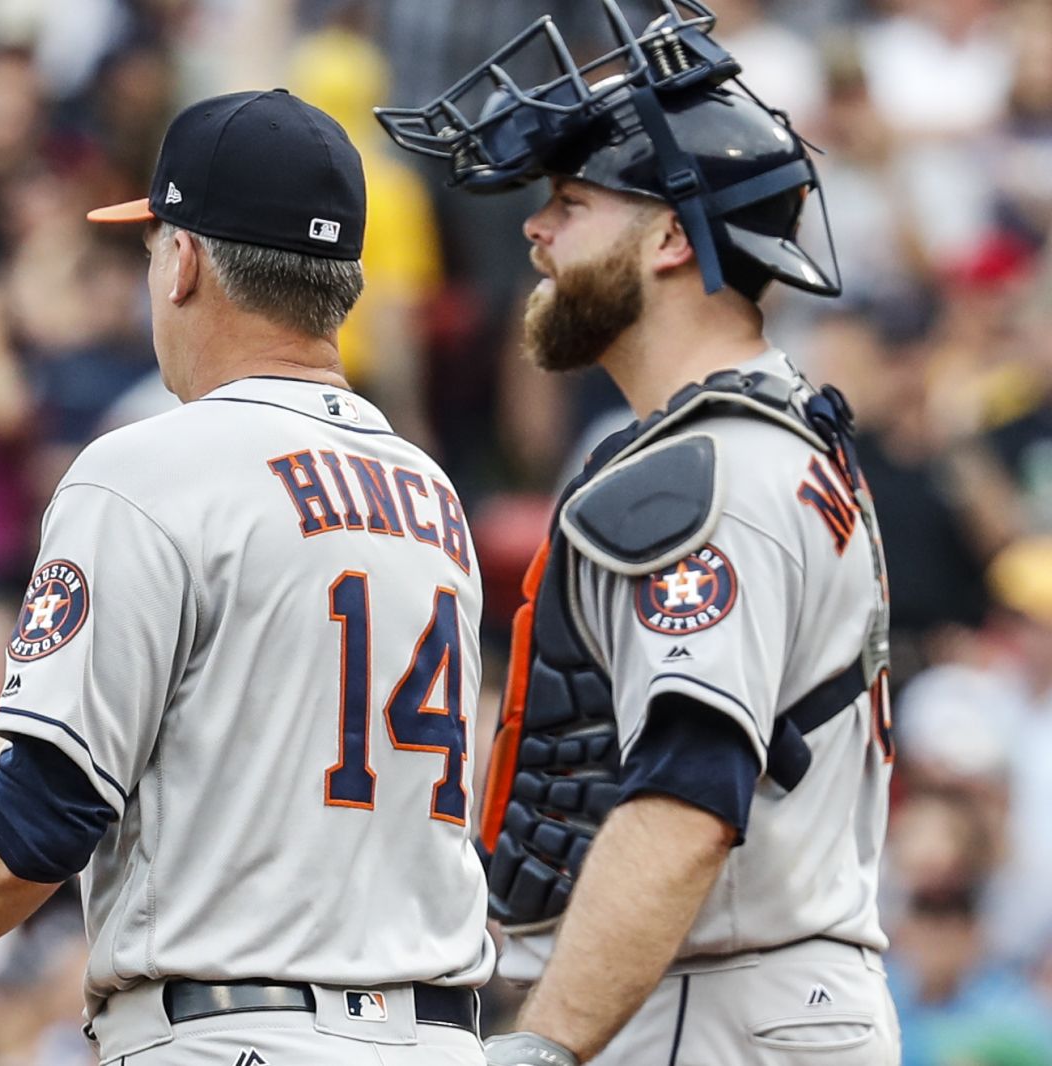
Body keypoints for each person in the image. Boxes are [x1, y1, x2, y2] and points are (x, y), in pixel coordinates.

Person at [0, 88, 493, 1066]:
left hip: (235, 1033)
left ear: (182, 261)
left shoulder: (146, 467)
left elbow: (43, 816)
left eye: (148, 246)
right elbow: (223, 763)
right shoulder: (426, 489)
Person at [377, 4, 899, 1064]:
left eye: (568, 202)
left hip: (708, 1009)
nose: (535, 231)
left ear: (669, 236)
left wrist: (548, 1042)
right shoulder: (772, 435)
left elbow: (686, 795)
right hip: (757, 995)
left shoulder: (699, 477)